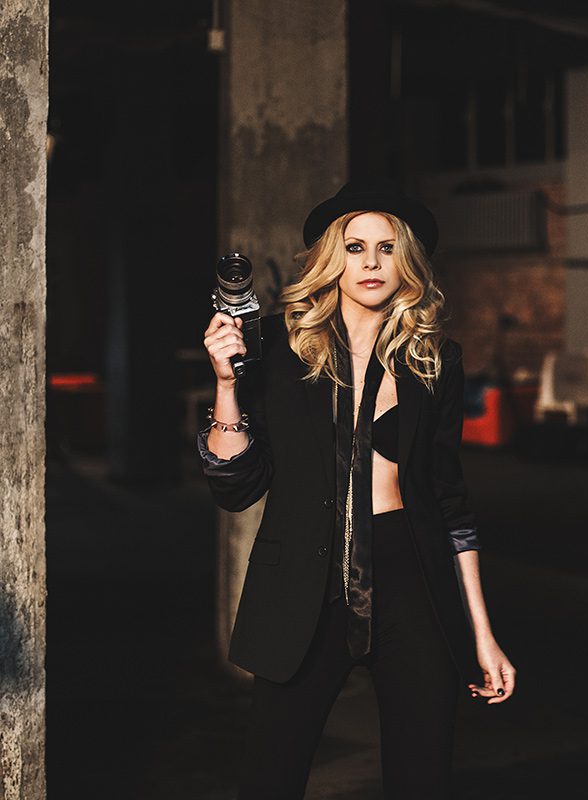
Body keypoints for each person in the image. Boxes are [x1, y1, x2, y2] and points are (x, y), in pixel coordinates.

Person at [197, 178, 516, 799]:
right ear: (331, 259)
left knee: (422, 781)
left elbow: (452, 504)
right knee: (269, 781)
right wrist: (227, 384)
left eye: (387, 248)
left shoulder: (436, 360)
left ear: (407, 260)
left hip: (411, 580)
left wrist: (483, 633)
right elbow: (235, 487)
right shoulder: (280, 349)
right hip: (302, 587)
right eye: (355, 247)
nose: (371, 262)